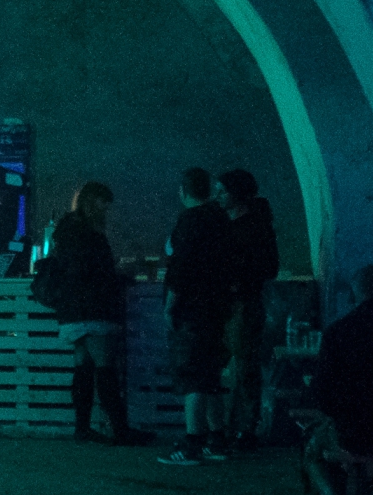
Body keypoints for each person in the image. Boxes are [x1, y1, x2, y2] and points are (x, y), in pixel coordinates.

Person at [43, 182, 153, 446]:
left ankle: (82, 428)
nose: (107, 209)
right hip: (93, 308)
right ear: (92, 202)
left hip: (72, 308)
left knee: (83, 365)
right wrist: (121, 276)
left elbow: (77, 269)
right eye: (104, 203)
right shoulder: (89, 233)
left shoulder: (66, 230)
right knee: (105, 366)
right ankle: (120, 430)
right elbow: (95, 272)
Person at [310, 265, 373, 495]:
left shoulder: (337, 332)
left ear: (354, 293)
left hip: (352, 435)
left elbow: (322, 394)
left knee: (313, 452)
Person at [158, 167, 235, 467]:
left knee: (193, 376)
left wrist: (170, 306)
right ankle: (217, 439)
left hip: (192, 310)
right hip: (218, 308)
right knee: (211, 375)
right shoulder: (221, 219)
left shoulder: (190, 220)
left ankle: (193, 443)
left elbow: (181, 269)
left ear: (183, 191)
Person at [216, 169, 279, 452]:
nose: (218, 196)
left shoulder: (253, 227)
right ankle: (234, 426)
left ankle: (243, 428)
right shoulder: (237, 224)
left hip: (242, 302)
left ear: (237, 194)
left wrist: (237, 273)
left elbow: (269, 267)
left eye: (223, 191)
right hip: (231, 302)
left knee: (243, 366)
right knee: (238, 365)